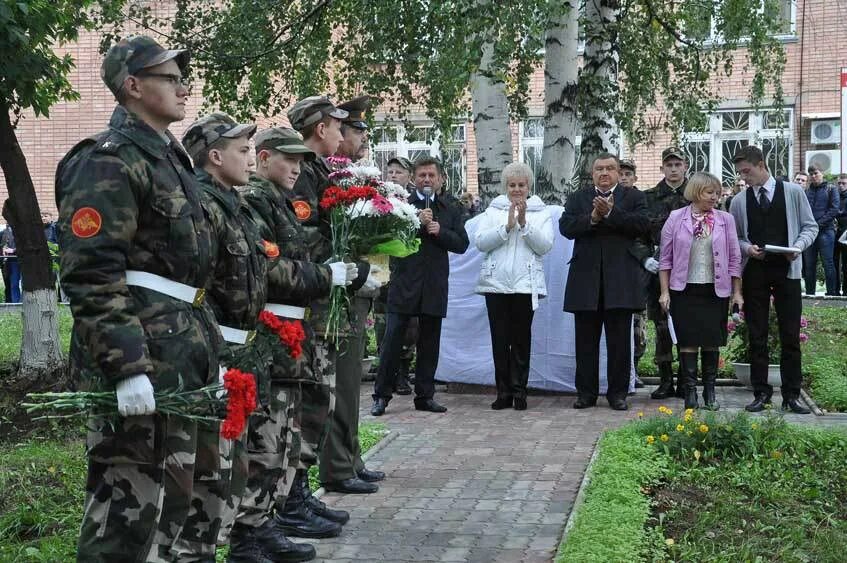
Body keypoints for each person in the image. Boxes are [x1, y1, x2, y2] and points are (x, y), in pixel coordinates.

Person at [55, 36, 225, 561]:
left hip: (181, 356)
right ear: (133, 85)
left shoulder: (169, 160)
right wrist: (126, 366)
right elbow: (91, 272)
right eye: (169, 77)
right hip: (144, 359)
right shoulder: (108, 161)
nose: (182, 87)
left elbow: (192, 273)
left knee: (175, 507)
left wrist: (208, 351)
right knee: (126, 517)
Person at [236, 126, 358, 559]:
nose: (296, 168)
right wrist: (327, 275)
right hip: (273, 330)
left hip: (293, 329)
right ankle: (255, 526)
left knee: (291, 430)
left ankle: (277, 509)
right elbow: (271, 268)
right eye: (288, 159)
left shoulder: (278, 201)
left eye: (300, 161)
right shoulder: (255, 200)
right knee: (271, 434)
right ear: (264, 158)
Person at [286, 96, 383, 499]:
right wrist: (349, 264)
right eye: (337, 124)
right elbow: (308, 237)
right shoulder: (305, 173)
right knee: (333, 387)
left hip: (340, 291)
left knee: (343, 383)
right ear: (321, 128)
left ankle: (347, 460)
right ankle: (337, 468)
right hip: (326, 296)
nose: (345, 132)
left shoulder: (319, 170)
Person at [318, 95, 388, 496]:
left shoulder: (355, 175)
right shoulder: (327, 176)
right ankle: (339, 465)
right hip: (337, 292)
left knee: (351, 382)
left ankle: (351, 457)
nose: (361, 137)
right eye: (355, 130)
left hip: (357, 287)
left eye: (362, 130)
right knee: (341, 384)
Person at [371, 156, 470, 416]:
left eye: (431, 176)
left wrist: (440, 231)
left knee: (430, 343)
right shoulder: (401, 204)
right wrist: (416, 222)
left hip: (434, 283)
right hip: (405, 282)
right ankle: (381, 395)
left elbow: (462, 244)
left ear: (440, 179)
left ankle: (425, 396)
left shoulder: (450, 207)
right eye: (422, 175)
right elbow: (388, 238)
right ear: (414, 178)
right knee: (392, 340)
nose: (427, 180)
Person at [729, 146, 818, 414]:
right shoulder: (738, 202)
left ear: (761, 164)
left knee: (790, 334)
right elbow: (736, 238)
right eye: (741, 173)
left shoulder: (793, 192)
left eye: (747, 171)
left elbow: (810, 226)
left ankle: (791, 395)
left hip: (787, 271)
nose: (744, 178)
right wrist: (747, 249)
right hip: (755, 272)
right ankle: (761, 393)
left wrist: (798, 247)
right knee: (756, 334)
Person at [560, 153, 649, 411]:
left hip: (620, 282)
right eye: (599, 169)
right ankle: (586, 394)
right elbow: (566, 227)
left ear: (618, 172)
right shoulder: (578, 198)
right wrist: (592, 219)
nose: (604, 173)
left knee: (619, 343)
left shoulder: (634, 197)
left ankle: (617, 394)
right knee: (585, 342)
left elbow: (642, 225)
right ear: (592, 173)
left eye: (610, 168)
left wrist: (611, 213)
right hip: (586, 281)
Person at [658, 172, 743, 410]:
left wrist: (737, 293)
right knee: (687, 341)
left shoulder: (726, 219)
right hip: (684, 290)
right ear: (696, 192)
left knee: (711, 342)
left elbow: (735, 259)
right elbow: (665, 259)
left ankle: (710, 392)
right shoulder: (676, 218)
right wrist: (664, 292)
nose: (715, 197)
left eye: (717, 192)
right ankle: (690, 393)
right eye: (710, 193)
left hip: (716, 291)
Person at [474, 162, 553, 410]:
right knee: (500, 340)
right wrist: (506, 227)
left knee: (521, 340)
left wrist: (524, 224)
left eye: (521, 185)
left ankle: (520, 392)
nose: (517, 189)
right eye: (512, 185)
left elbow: (545, 246)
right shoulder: (493, 210)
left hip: (525, 285)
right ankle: (503, 392)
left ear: (529, 187)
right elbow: (480, 242)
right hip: (496, 284)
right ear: (505, 187)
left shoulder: (541, 212)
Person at [629, 147, 688, 399]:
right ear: (662, 168)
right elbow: (635, 235)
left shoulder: (696, 194)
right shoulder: (648, 197)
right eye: (669, 165)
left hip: (689, 271)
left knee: (686, 326)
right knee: (662, 327)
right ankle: (665, 380)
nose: (673, 169)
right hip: (657, 271)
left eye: (678, 164)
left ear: (685, 166)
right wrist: (644, 259)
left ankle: (687, 380)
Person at [618, 159, 647, 387]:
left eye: (628, 173)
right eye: (621, 173)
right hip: (620, 269)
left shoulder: (640, 200)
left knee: (639, 327)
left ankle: (634, 367)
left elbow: (645, 233)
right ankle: (628, 372)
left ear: (635, 178)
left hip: (641, 268)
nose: (624, 177)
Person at [802, 165, 840, 295]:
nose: (813, 176)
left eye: (816, 173)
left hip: (826, 232)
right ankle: (810, 294)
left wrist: (818, 224)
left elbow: (834, 209)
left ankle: (831, 294)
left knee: (828, 263)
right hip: (809, 233)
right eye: (811, 174)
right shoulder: (807, 191)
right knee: (809, 265)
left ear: (822, 173)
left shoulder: (831, 188)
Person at [834, 173, 847, 295]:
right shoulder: (834, 195)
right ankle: (835, 290)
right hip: (835, 233)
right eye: (839, 183)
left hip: (846, 233)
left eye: (844, 183)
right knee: (834, 262)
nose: (841, 185)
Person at [1, 225, 19, 302]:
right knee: (14, 284)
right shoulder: (4, 232)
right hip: (12, 261)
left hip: (25, 260)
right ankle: (16, 304)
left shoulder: (26, 229)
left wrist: (13, 250)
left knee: (26, 284)